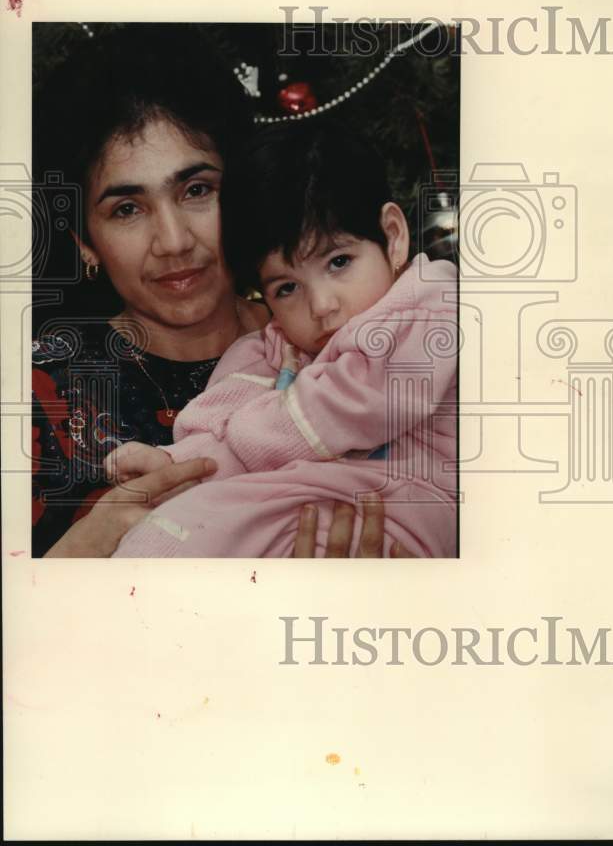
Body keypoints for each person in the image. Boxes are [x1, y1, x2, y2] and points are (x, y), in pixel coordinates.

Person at [33, 25, 398, 559]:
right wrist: (69, 564)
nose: (175, 241)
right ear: (84, 242)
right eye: (127, 209)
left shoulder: (347, 325)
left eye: (197, 190)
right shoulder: (39, 397)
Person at [107, 122, 458, 558]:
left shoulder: (429, 304)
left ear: (392, 236)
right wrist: (179, 467)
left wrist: (250, 430)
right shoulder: (277, 348)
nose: (322, 305)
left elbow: (355, 399)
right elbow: (227, 418)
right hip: (310, 491)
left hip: (407, 502)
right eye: (286, 288)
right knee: (162, 538)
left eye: (339, 262)